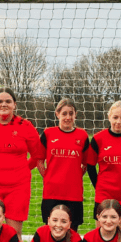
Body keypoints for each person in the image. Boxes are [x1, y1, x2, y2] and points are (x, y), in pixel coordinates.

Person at [0, 89, 44, 238]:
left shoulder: (26, 126)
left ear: (14, 105)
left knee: (14, 232)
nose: (3, 104)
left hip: (18, 187)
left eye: (8, 101)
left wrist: (22, 168)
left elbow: (37, 156)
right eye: (0, 101)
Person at [87, 101, 121, 234]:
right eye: (115, 117)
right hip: (104, 195)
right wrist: (100, 186)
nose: (119, 121)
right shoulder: (98, 139)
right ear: (109, 117)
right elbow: (90, 167)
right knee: (102, 239)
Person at [37, 98, 89, 231]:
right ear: (57, 114)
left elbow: (86, 164)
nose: (67, 117)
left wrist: (74, 176)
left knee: (71, 233)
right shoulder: (48, 133)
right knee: (51, 232)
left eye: (71, 113)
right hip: (51, 192)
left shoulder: (82, 135)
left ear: (75, 115)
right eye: (64, 113)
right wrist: (48, 176)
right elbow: (39, 160)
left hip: (74, 193)